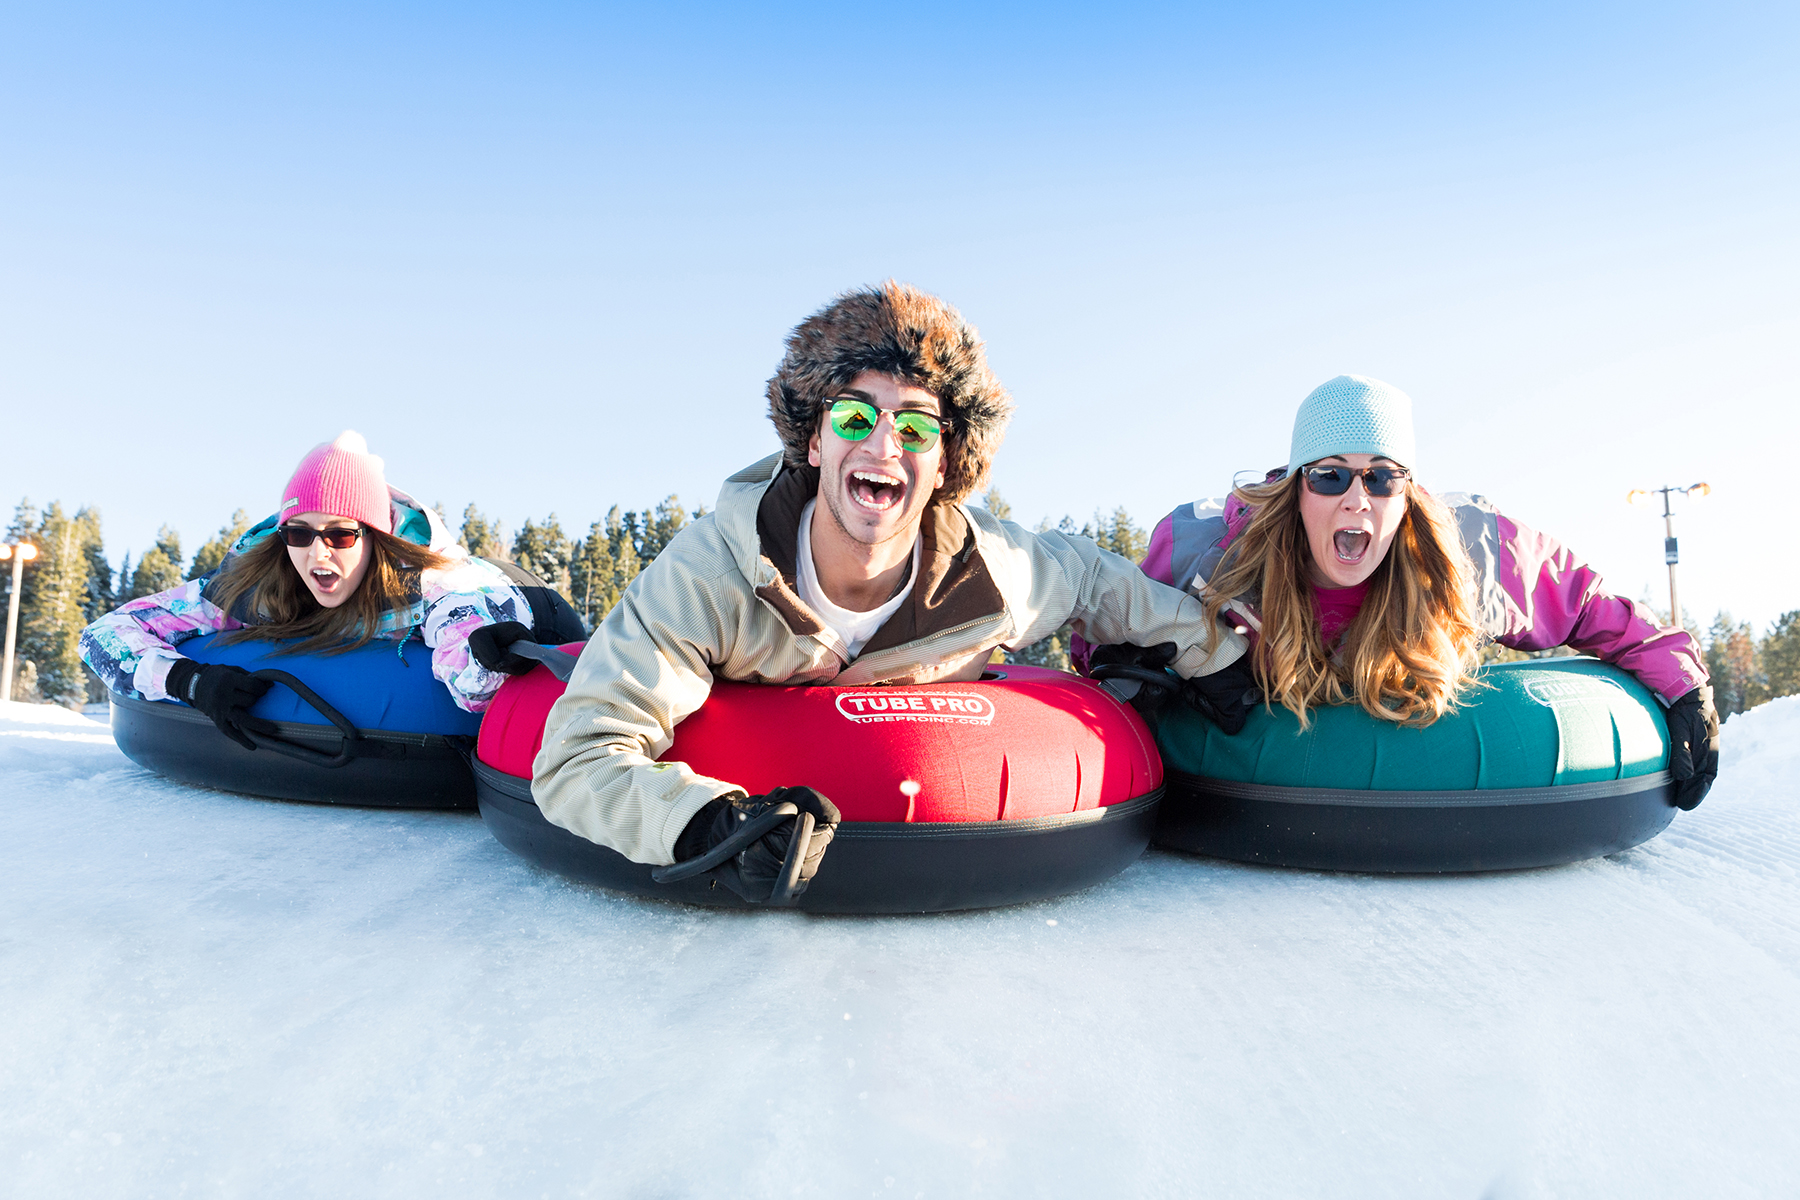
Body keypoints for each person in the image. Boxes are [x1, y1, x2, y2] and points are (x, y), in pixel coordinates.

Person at [516, 282, 1249, 902]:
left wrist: (1207, 649)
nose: (883, 445)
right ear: (813, 442)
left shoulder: (989, 573)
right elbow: (578, 756)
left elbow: (1094, 577)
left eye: (916, 426)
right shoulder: (712, 577)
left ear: (945, 462)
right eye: (855, 416)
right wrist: (708, 825)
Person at [1100, 374, 1719, 810]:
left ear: (1407, 495)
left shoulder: (1465, 555)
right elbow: (1109, 636)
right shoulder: (1210, 556)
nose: (1355, 497)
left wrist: (1685, 685)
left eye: (1381, 477)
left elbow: (1588, 605)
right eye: (1330, 475)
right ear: (1296, 489)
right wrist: (1147, 683)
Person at [81, 431, 540, 748]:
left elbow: (473, 673)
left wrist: (485, 658)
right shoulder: (256, 589)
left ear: (374, 536)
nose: (317, 555)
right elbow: (104, 635)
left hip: (516, 590)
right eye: (299, 534)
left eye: (340, 535)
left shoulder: (430, 584)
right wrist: (189, 680)